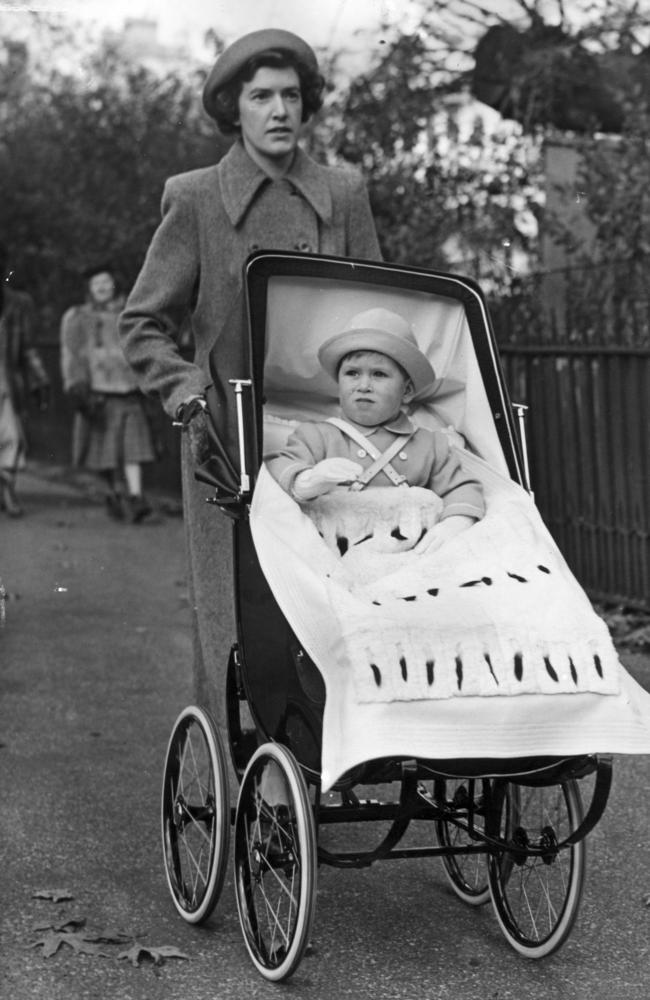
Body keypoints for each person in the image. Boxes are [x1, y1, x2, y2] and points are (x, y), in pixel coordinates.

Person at [119, 29, 382, 729]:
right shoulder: (198, 199)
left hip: (331, 440)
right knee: (237, 622)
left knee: (334, 605)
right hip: (225, 444)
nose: (278, 110)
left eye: (291, 95)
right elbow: (140, 322)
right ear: (232, 108)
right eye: (260, 95)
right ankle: (244, 780)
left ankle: (325, 762)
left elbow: (378, 314)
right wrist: (186, 393)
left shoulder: (344, 194)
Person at [266, 307, 485, 552]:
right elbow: (279, 465)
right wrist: (309, 480)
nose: (363, 385)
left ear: (407, 391)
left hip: (409, 553)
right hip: (336, 553)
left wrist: (456, 521)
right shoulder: (316, 435)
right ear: (338, 383)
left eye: (379, 374)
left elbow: (461, 486)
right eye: (352, 373)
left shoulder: (430, 444)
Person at [60, 265, 156, 522]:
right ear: (89, 289)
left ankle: (136, 497)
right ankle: (114, 493)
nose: (102, 287)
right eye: (96, 283)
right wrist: (77, 387)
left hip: (129, 389)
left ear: (114, 284)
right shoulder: (78, 317)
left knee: (133, 447)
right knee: (105, 451)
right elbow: (72, 355)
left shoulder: (129, 312)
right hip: (98, 393)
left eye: (106, 281)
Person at [0, 241, 50, 517]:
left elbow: (28, 347)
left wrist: (40, 380)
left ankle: (7, 489)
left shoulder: (17, 304)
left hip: (6, 380)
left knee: (13, 437)